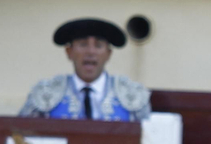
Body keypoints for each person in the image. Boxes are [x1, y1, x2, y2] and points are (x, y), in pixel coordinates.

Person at [19, 19, 152, 121]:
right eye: (83, 45)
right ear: (69, 52)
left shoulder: (132, 94)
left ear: (108, 54)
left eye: (98, 46)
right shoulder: (45, 93)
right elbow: (19, 138)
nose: (90, 52)